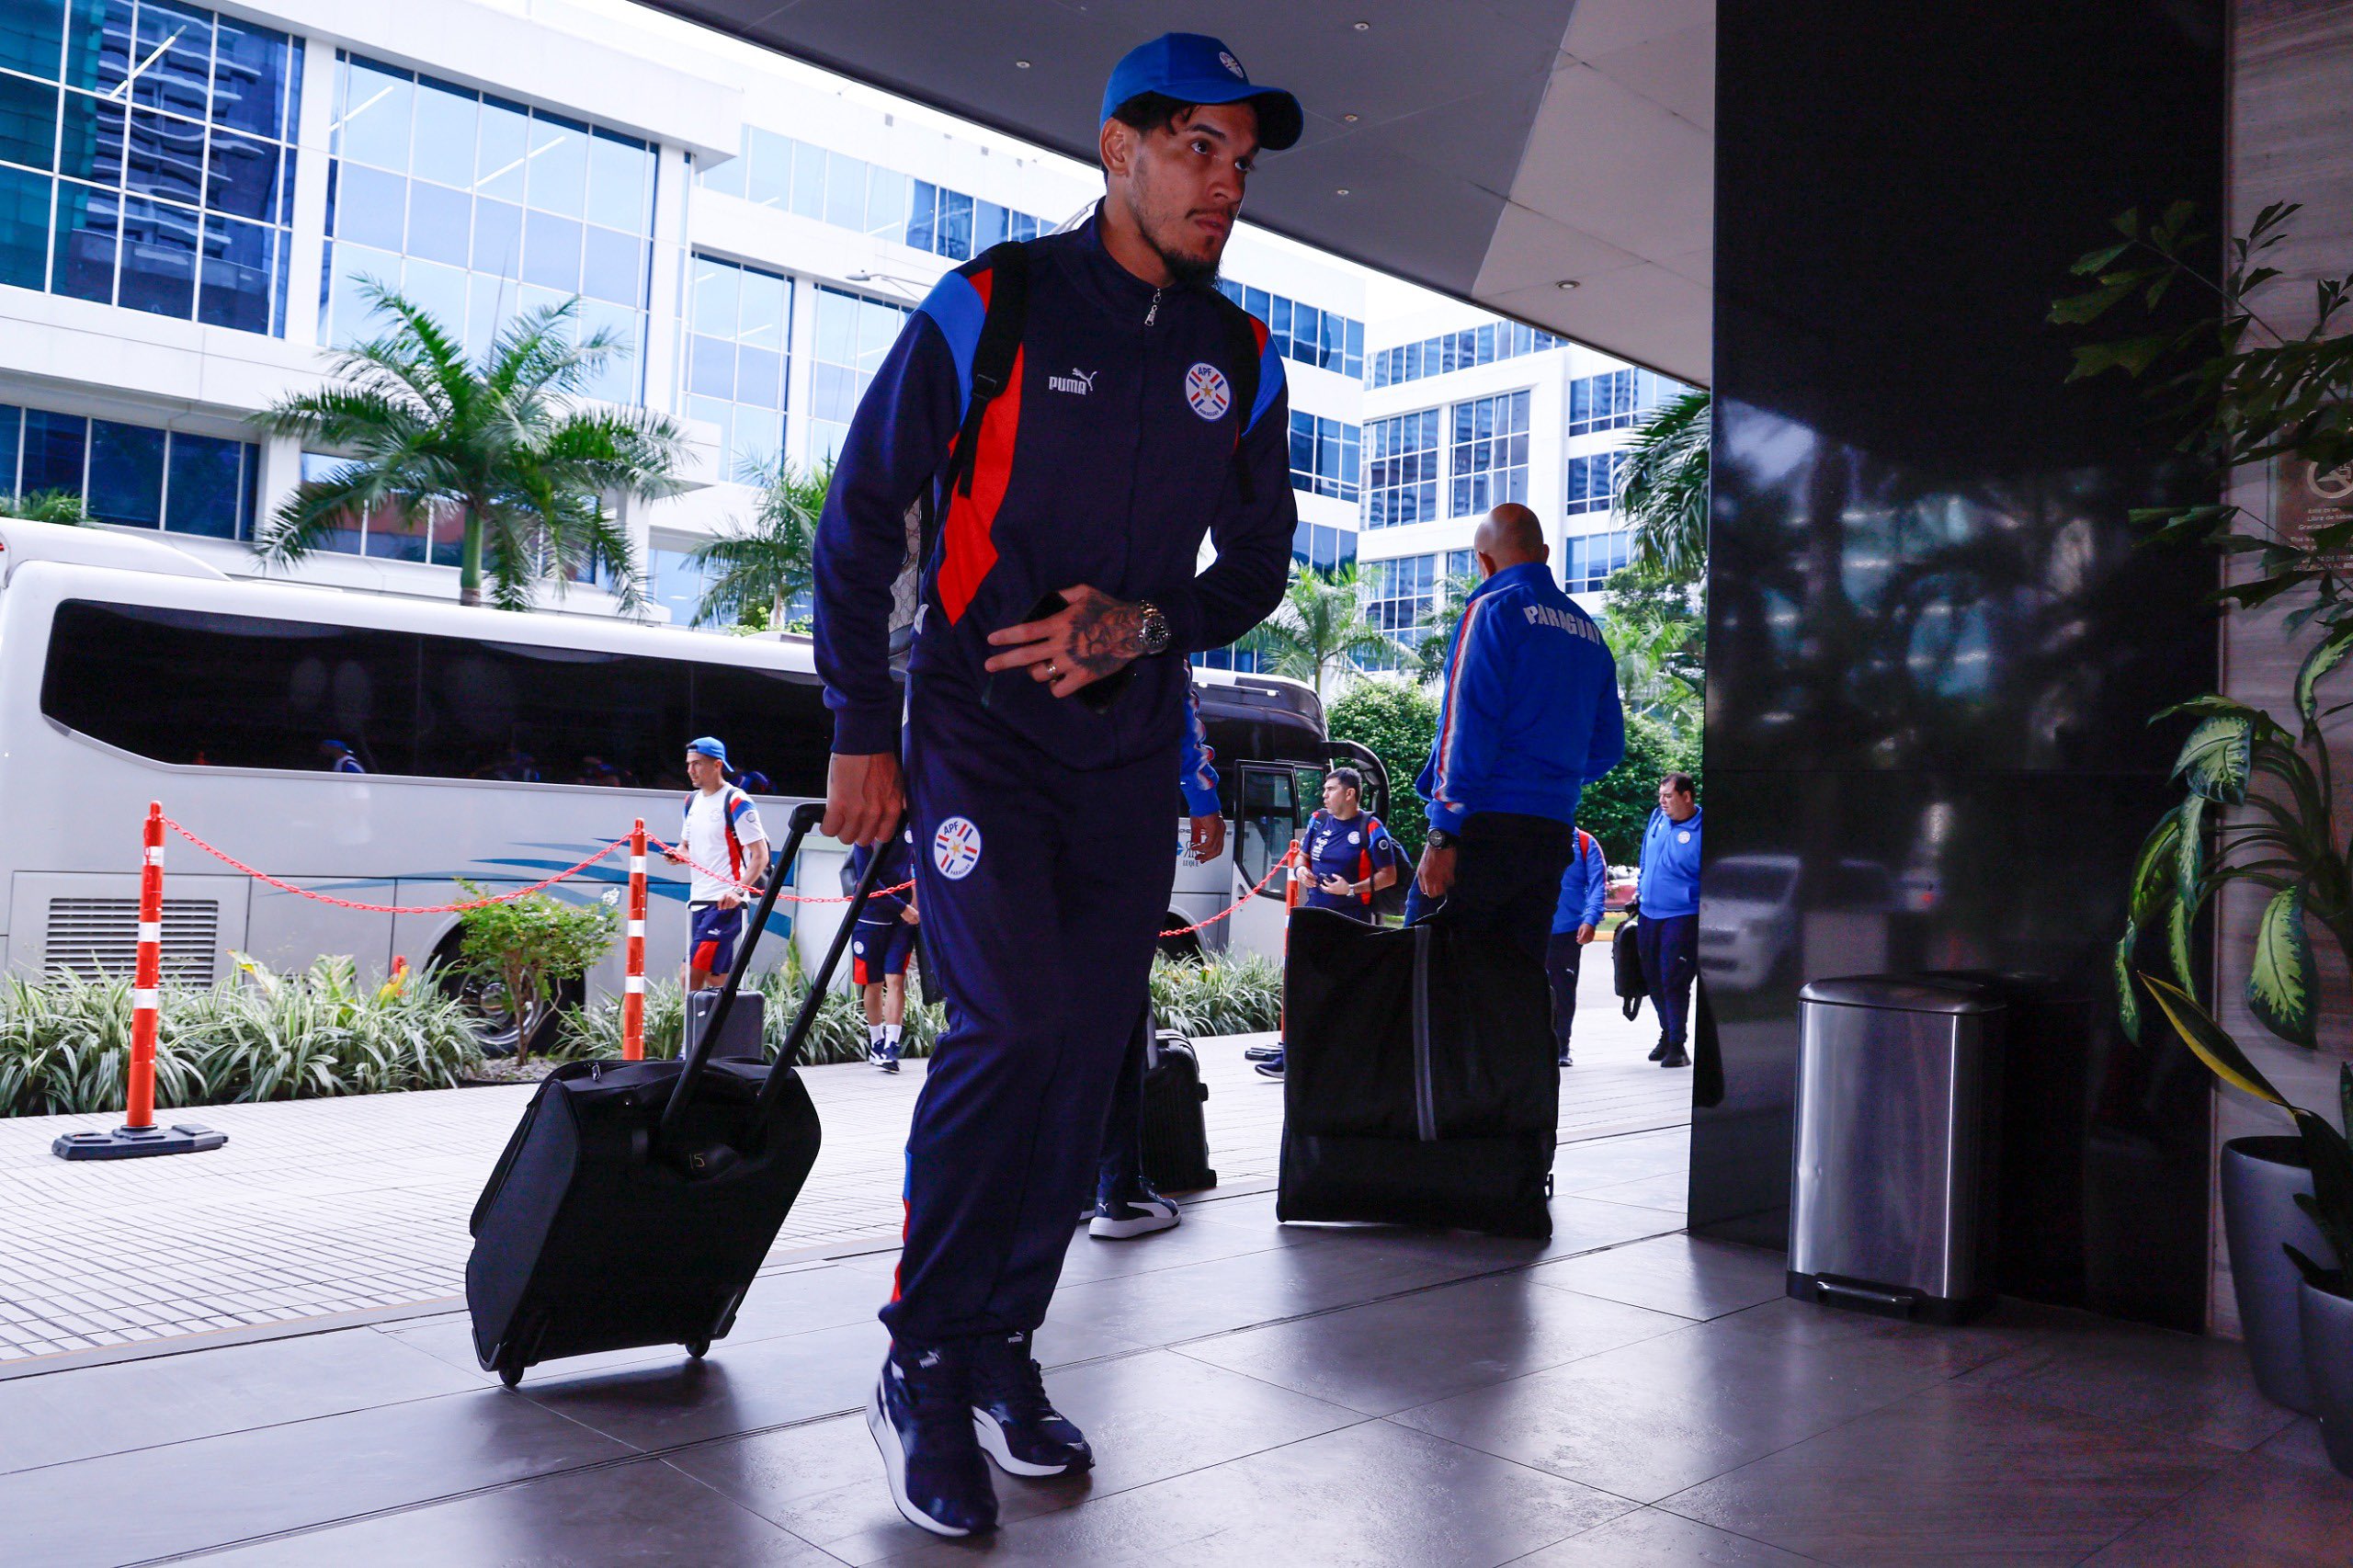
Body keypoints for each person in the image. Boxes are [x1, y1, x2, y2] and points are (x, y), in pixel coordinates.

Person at [812, 33, 1301, 1539]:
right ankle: (925, 1364)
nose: (1228, 177)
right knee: (1014, 1022)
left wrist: (1152, 624)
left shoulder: (1246, 358)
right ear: (1121, 151)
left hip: (1128, 752)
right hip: (975, 732)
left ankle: (1003, 1347)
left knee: (1086, 1048)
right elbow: (866, 511)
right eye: (1200, 146)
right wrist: (861, 723)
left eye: (1243, 157)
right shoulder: (994, 307)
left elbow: (1262, 567)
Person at [1404, 503, 1625, 965]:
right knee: (1516, 985)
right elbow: (1608, 747)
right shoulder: (1590, 633)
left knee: (1427, 981)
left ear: (1483, 562)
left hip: (1482, 830)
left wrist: (1442, 835)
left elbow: (1464, 728)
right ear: (1544, 553)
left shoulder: (1491, 609)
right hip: (1551, 833)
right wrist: (1545, 781)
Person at [1092, 680, 1224, 1237]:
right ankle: (1117, 1192)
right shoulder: (1143, 606)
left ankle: (1063, 1184)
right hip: (1123, 821)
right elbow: (1174, 703)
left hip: (1031, 819)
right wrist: (1203, 798)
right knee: (1118, 1009)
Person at [1254, 765, 1399, 1080]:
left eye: (1330, 789)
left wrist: (1352, 889)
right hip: (1313, 915)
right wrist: (1302, 869)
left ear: (1350, 793)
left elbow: (1389, 876)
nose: (1324, 795)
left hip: (1351, 921)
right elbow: (1301, 856)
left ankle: (1345, 1060)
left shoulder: (1370, 826)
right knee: (1302, 984)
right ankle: (1292, 1057)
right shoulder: (1319, 820)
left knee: (1343, 990)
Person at [666, 737, 771, 993]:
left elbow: (761, 855)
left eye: (697, 764)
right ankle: (735, 1030)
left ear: (717, 765)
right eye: (689, 764)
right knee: (717, 980)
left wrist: (737, 891)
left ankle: (696, 1033)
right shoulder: (691, 801)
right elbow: (685, 846)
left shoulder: (737, 800)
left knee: (689, 976)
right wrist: (676, 854)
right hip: (699, 900)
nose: (690, 770)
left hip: (726, 904)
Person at [1637, 772, 1701, 1069]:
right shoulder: (1657, 818)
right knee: (1652, 979)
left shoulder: (1702, 828)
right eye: (1660, 796)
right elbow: (1646, 858)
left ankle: (1678, 1044)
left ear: (1686, 797)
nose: (1662, 802)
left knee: (1673, 979)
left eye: (1668, 796)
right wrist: (1640, 889)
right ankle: (1666, 1033)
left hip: (1681, 915)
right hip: (1649, 912)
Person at [849, 826, 919, 1073]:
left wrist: (913, 905)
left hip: (903, 920)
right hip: (871, 917)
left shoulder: (910, 828)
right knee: (874, 982)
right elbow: (867, 880)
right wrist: (902, 907)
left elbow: (918, 866)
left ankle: (891, 1045)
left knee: (896, 979)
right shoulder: (865, 834)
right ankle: (876, 1041)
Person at [1548, 825, 1608, 1068]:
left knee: (1563, 989)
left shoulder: (1585, 842)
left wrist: (1590, 919)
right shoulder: (1532, 835)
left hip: (1567, 930)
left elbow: (1597, 884)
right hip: (1533, 927)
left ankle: (1562, 1044)